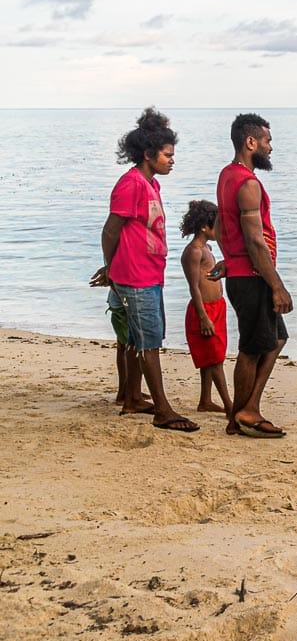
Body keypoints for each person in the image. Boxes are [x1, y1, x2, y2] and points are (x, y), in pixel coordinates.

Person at [97, 107, 198, 431]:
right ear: (148, 154)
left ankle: (132, 397)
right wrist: (110, 268)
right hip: (135, 277)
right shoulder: (131, 184)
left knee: (140, 339)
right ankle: (163, 411)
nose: (172, 160)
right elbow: (111, 229)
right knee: (149, 342)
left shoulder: (151, 184)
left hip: (149, 274)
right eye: (167, 155)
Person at [216, 113, 291, 439]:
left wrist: (227, 258)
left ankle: (240, 414)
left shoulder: (227, 175)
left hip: (242, 271)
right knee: (252, 347)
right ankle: (248, 410)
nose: (270, 147)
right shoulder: (248, 184)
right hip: (252, 275)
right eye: (267, 141)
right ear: (250, 142)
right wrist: (277, 286)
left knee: (275, 339)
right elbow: (255, 240)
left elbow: (220, 225)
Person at [178, 200, 232, 415]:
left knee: (213, 356)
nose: (219, 230)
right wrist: (203, 317)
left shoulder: (207, 248)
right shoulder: (194, 252)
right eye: (216, 225)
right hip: (204, 310)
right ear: (204, 227)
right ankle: (230, 406)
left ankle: (206, 400)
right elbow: (194, 287)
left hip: (217, 306)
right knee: (215, 360)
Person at [88, 268, 145, 411]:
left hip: (119, 297)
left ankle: (129, 389)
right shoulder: (119, 248)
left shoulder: (116, 248)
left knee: (126, 346)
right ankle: (125, 392)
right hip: (122, 297)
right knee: (130, 347)